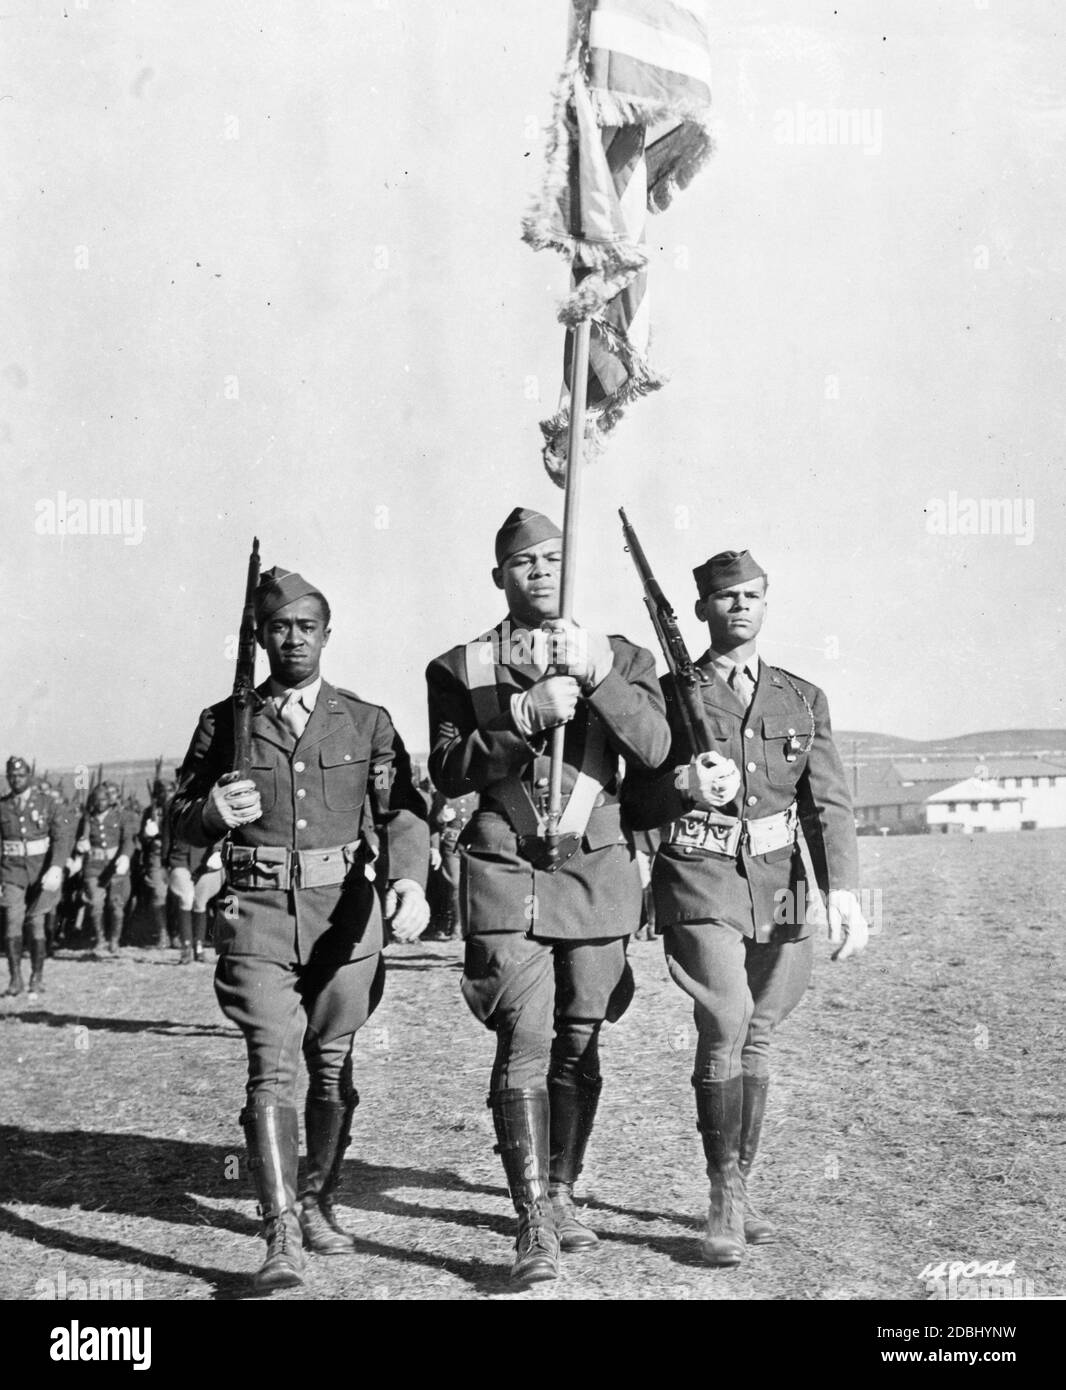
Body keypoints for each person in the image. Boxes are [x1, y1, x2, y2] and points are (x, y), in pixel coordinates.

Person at [426, 507, 671, 1284]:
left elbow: (660, 751)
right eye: (522, 561)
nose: (538, 570)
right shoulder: (459, 667)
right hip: (507, 871)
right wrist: (521, 719)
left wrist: (596, 676)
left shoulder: (623, 656)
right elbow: (447, 770)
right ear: (498, 575)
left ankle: (562, 1192)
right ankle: (531, 1216)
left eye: (552, 558)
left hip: (594, 873)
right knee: (524, 1036)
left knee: (580, 1037)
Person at [170, 562, 430, 1293]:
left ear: (326, 634)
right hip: (255, 916)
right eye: (279, 628)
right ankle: (279, 1229)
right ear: (258, 634)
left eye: (306, 628)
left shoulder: (366, 720)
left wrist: (410, 879)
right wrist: (212, 816)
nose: (293, 641)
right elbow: (181, 815)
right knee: (271, 1063)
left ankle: (318, 1198)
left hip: (344, 920)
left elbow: (401, 809)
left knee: (333, 1066)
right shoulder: (226, 722)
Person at [622, 548, 869, 1266]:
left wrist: (841, 889)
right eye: (726, 597)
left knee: (758, 1030)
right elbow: (634, 797)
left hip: (777, 878)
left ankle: (742, 1185)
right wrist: (682, 783)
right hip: (699, 873)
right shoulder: (670, 694)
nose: (740, 607)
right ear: (700, 609)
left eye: (752, 595)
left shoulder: (801, 697)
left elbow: (827, 804)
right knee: (726, 1019)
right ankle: (722, 1198)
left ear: (767, 603)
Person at [1, 756, 72, 996]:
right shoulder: (3, 806)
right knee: (12, 918)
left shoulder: (47, 803)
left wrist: (57, 867)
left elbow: (63, 834)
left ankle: (37, 977)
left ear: (29, 776)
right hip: (12, 871)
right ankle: (15, 979)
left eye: (20, 776)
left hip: (42, 870)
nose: (16, 780)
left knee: (36, 923)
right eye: (11, 776)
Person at [75, 782, 137, 954]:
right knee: (95, 904)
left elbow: (128, 840)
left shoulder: (120, 817)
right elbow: (79, 838)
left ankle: (114, 941)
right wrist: (81, 844)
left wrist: (125, 857)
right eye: (97, 800)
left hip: (115, 867)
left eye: (103, 800)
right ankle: (100, 939)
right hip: (93, 867)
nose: (100, 803)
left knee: (116, 905)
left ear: (110, 801)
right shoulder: (88, 819)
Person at [426, 788, 478, 939]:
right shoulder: (445, 793)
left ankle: (472, 926)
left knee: (474, 884)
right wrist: (440, 819)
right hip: (452, 844)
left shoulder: (479, 792)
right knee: (455, 884)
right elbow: (433, 823)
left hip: (475, 844)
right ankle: (458, 926)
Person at [167, 833, 223, 964]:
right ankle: (186, 947)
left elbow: (223, 830)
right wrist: (164, 864)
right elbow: (166, 835)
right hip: (180, 859)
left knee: (200, 902)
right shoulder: (173, 811)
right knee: (185, 898)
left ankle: (199, 947)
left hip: (208, 861)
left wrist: (218, 852)